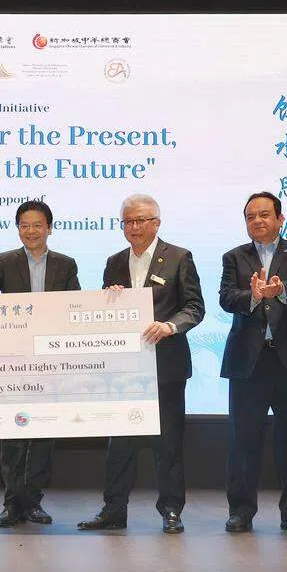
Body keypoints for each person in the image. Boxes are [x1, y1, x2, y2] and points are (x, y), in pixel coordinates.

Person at [78, 194, 204, 534]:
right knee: (119, 445)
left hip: (166, 367)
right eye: (128, 222)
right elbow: (104, 312)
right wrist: (109, 299)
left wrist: (170, 326)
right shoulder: (114, 261)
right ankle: (113, 511)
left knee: (169, 445)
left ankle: (171, 511)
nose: (133, 227)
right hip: (124, 369)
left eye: (140, 220)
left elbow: (194, 307)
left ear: (156, 223)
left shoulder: (179, 257)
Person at [219, 191, 287, 534]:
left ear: (280, 219)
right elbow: (226, 298)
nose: (257, 221)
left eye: (264, 215)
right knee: (243, 440)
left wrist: (281, 290)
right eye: (251, 217)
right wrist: (253, 296)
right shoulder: (234, 257)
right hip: (249, 361)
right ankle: (241, 512)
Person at [0, 200, 81, 527]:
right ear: (18, 229)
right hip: (16, 362)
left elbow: (76, 305)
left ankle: (33, 502)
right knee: (13, 435)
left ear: (49, 228)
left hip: (50, 363)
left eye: (37, 225)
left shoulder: (66, 264)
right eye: (24, 225)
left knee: (43, 435)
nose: (31, 231)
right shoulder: (6, 260)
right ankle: (12, 504)